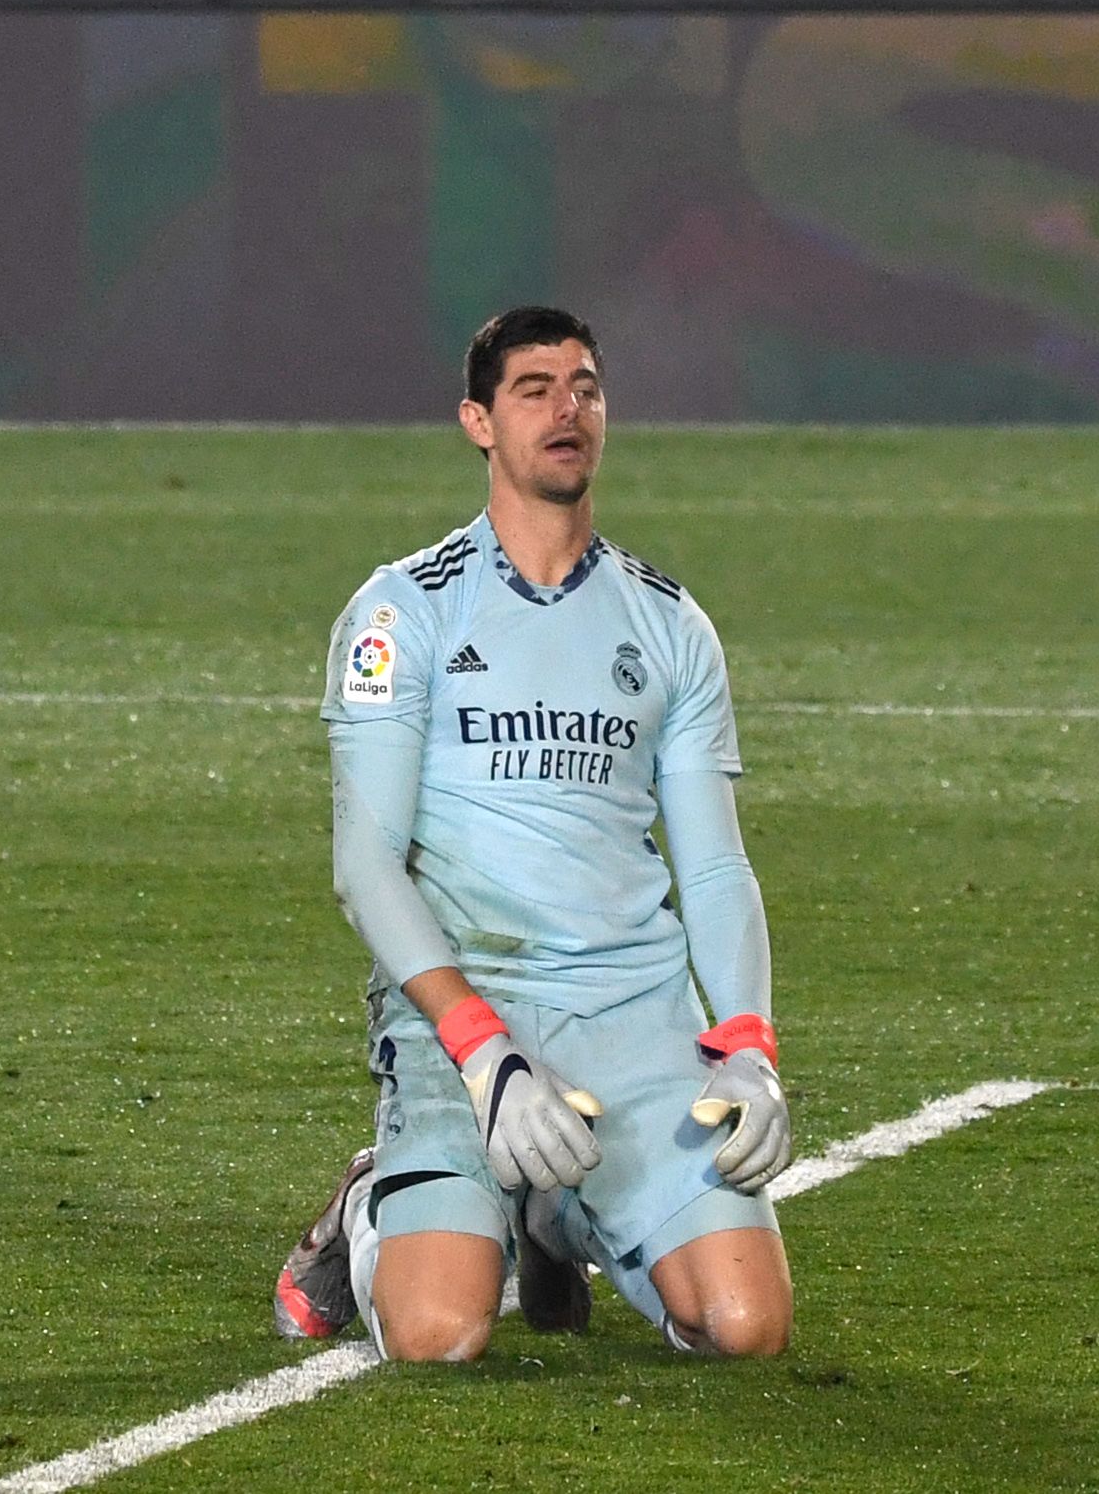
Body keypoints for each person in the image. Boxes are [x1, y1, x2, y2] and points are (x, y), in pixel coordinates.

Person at [269, 305, 794, 1361]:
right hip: (468, 1010)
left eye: (587, 388)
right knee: (438, 1336)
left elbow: (714, 861)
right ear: (478, 421)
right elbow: (363, 868)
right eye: (535, 389)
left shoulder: (669, 625)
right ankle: (369, 1205)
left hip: (635, 1017)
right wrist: (484, 1055)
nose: (569, 408)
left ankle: (554, 1212)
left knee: (745, 1328)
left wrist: (746, 1045)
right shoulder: (402, 612)